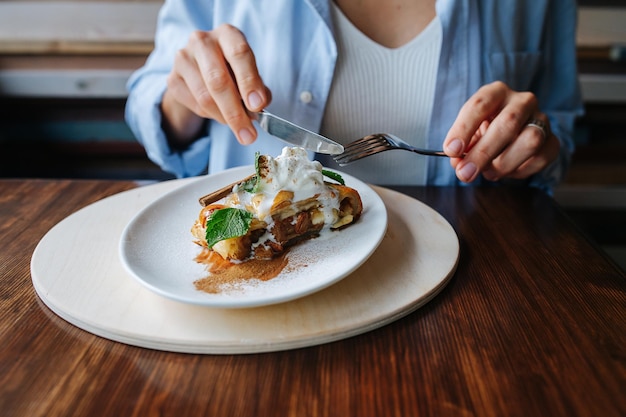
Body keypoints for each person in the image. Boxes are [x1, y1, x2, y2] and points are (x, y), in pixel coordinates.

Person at [125, 0, 584, 192]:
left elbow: (557, 127)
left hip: (466, 277)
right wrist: (185, 101)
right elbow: (151, 101)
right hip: (258, 277)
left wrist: (535, 143)